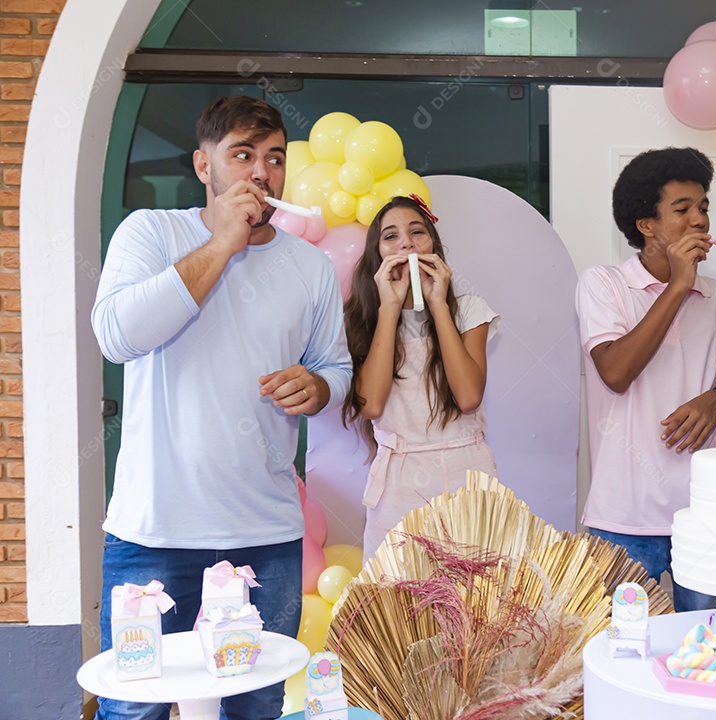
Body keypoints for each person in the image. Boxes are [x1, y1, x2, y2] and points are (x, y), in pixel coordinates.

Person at [91, 95, 352, 720]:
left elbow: (335, 370)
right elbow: (117, 336)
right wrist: (223, 243)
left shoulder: (309, 267)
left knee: (256, 706)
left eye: (274, 158)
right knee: (133, 709)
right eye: (241, 155)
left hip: (264, 537)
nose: (261, 173)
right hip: (152, 531)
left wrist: (316, 389)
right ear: (203, 167)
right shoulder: (151, 233)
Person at [576, 147, 716, 612]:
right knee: (621, 651)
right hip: (624, 514)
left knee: (711, 648)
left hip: (705, 511)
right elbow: (616, 371)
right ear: (646, 225)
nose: (700, 221)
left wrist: (713, 402)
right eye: (682, 210)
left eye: (704, 207)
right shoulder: (603, 284)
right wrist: (677, 287)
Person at [342, 194, 499, 557]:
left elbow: (468, 397)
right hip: (398, 481)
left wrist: (438, 305)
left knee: (477, 600)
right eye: (391, 236)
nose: (407, 243)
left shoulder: (469, 309)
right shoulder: (361, 319)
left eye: (417, 232)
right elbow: (371, 404)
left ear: (433, 244)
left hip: (467, 475)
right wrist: (391, 307)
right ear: (376, 253)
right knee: (398, 602)